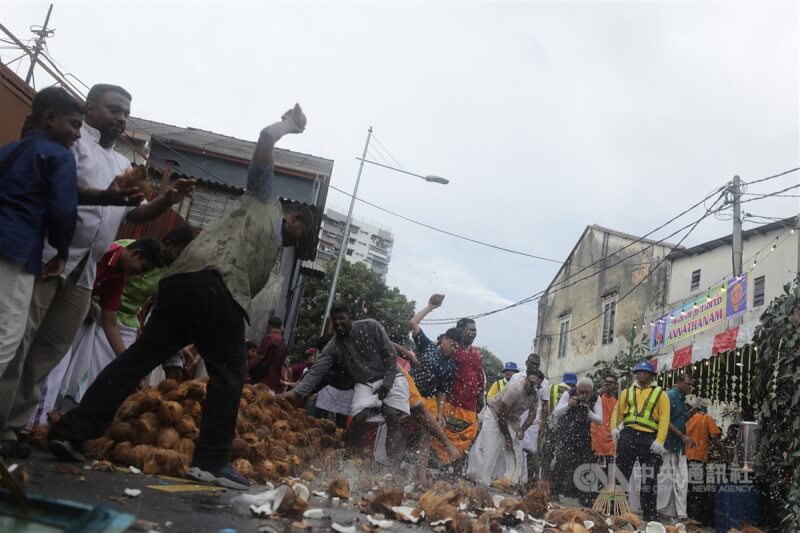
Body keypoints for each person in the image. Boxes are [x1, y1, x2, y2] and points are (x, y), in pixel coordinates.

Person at [48, 104, 315, 491]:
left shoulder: (271, 243)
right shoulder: (263, 199)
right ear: (291, 215)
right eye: (300, 230)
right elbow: (265, 139)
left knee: (139, 359)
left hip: (184, 284)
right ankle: (209, 462)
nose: (297, 238)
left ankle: (71, 432)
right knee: (229, 373)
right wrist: (288, 126)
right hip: (212, 284)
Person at [0, 83, 194, 450]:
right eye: (114, 109)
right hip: (47, 261)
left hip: (84, 275)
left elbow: (134, 215)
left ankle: (14, 425)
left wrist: (167, 200)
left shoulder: (122, 164)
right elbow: (63, 190)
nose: (120, 118)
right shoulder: (71, 143)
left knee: (49, 352)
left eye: (125, 113)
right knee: (16, 342)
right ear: (89, 109)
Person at [0, 87, 82, 381]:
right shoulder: (60, 156)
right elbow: (62, 211)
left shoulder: (11, 149)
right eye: (74, 125)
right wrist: (61, 252)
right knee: (6, 337)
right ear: (50, 118)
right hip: (17, 250)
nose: (78, 134)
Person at [285, 304, 409, 464]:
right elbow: (317, 370)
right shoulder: (333, 345)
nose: (338, 323)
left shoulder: (371, 326)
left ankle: (393, 470)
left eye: (341, 318)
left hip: (391, 375)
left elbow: (390, 353)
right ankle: (349, 462)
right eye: (334, 319)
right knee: (358, 420)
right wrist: (297, 392)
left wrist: (388, 382)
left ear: (350, 317)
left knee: (392, 416)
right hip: (365, 383)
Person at [610, 361, 670, 521]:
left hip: (649, 437)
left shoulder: (661, 394)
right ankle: (617, 507)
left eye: (644, 372)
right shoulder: (627, 392)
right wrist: (614, 428)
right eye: (638, 372)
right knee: (622, 472)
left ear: (651, 375)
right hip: (628, 434)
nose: (640, 374)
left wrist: (660, 441)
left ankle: (649, 512)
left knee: (650, 476)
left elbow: (664, 418)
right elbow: (618, 411)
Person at [466, 369, 544, 487]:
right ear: (526, 380)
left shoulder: (535, 394)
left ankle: (509, 481)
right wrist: (507, 438)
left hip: (512, 419)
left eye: (537, 385)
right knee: (490, 446)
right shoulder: (515, 389)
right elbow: (501, 416)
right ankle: (479, 476)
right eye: (532, 383)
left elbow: (532, 414)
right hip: (495, 414)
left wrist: (522, 429)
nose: (533, 387)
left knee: (515, 448)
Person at [433, 316, 485, 462]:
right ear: (461, 330)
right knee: (445, 435)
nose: (474, 333)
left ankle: (454, 472)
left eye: (476, 330)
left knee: (467, 438)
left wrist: (481, 396)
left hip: (470, 405)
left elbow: (480, 376)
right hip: (451, 402)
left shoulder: (476, 353)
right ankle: (441, 467)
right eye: (471, 330)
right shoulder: (452, 350)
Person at [407, 294, 459, 428]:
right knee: (400, 428)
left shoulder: (451, 367)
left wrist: (440, 413)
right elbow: (413, 323)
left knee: (429, 431)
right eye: (452, 344)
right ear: (444, 339)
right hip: (408, 392)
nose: (453, 349)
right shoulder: (427, 346)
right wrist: (430, 307)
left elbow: (442, 391)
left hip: (427, 401)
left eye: (456, 347)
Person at [550, 377, 603, 504]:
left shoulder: (596, 398)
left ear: (592, 391)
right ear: (576, 389)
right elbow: (556, 413)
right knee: (561, 461)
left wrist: (589, 412)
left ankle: (585, 496)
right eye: (581, 392)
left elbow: (600, 420)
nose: (584, 395)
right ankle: (554, 492)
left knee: (587, 464)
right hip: (567, 432)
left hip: (585, 435)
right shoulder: (568, 394)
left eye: (587, 393)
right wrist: (568, 405)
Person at [658, 373, 694, 521]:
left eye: (691, 384)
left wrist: (693, 411)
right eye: (687, 383)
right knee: (667, 480)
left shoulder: (681, 399)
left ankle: (677, 513)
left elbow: (680, 419)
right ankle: (663, 511)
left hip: (678, 446)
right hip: (668, 444)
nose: (690, 387)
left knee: (680, 480)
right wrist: (681, 435)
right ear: (678, 382)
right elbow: (664, 420)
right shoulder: (669, 396)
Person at [508, 353, 549, 480]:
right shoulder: (516, 377)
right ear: (526, 363)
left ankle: (528, 482)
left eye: (537, 365)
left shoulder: (544, 382)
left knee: (530, 452)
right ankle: (511, 477)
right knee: (512, 448)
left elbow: (545, 404)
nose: (535, 367)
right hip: (514, 419)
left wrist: (543, 423)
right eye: (532, 363)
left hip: (533, 423)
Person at [685, 398, 721, 527]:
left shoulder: (687, 418)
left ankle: (687, 515)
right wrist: (721, 452)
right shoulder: (707, 418)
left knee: (687, 488)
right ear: (704, 408)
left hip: (685, 458)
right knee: (697, 490)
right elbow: (715, 437)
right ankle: (696, 518)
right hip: (699, 458)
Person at [539, 372, 578, 482]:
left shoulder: (551, 387)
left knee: (547, 454)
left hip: (551, 425)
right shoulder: (574, 393)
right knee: (562, 456)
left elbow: (544, 407)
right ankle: (557, 484)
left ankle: (543, 480)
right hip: (566, 427)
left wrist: (543, 423)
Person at [250, 316, 289, 393]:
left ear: (269, 326)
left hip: (263, 379)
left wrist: (249, 367)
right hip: (274, 383)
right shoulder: (283, 342)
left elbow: (260, 356)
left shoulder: (269, 337)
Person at [591, 373, 619, 479]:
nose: (608, 385)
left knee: (607, 472)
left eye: (611, 383)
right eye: (606, 382)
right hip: (595, 440)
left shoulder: (616, 402)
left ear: (615, 386)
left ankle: (605, 492)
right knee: (592, 470)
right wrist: (599, 393)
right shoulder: (596, 397)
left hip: (609, 443)